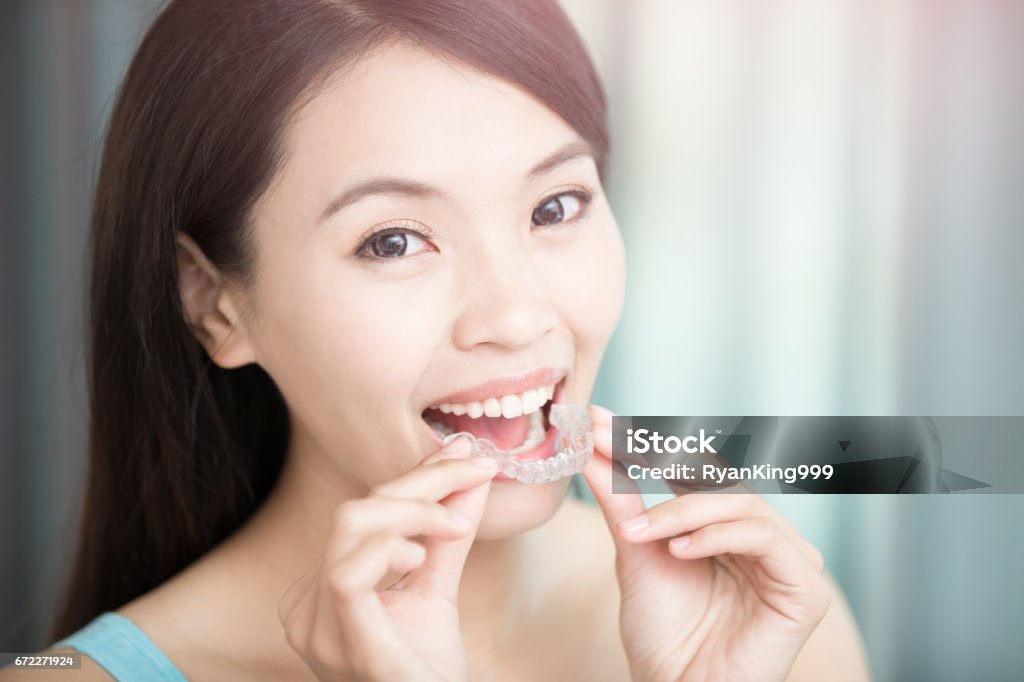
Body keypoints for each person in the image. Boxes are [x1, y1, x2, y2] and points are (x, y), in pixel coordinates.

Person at [4, 1, 871, 679]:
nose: (517, 317)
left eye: (554, 207)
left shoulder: (766, 620)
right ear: (217, 306)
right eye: (393, 241)